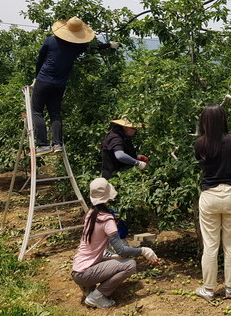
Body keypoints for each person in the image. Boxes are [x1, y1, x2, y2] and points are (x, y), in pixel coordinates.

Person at [32, 16, 118, 156]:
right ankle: (57, 144)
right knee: (55, 113)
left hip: (44, 80)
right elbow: (93, 47)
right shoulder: (77, 46)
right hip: (60, 84)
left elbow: (39, 60)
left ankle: (43, 145)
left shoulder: (50, 41)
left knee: (37, 112)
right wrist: (109, 45)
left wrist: (36, 78)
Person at [72, 177, 158, 309]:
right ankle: (97, 296)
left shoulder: (90, 214)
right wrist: (143, 250)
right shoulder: (106, 219)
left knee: (116, 259)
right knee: (130, 265)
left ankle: (88, 287)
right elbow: (121, 250)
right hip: (84, 273)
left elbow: (97, 248)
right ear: (108, 196)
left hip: (78, 268)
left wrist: (113, 257)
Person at [194, 104, 231, 302]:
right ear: (223, 119)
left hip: (210, 195)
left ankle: (209, 289)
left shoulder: (200, 143)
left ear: (204, 121)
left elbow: (200, 160)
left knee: (210, 246)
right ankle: (230, 288)